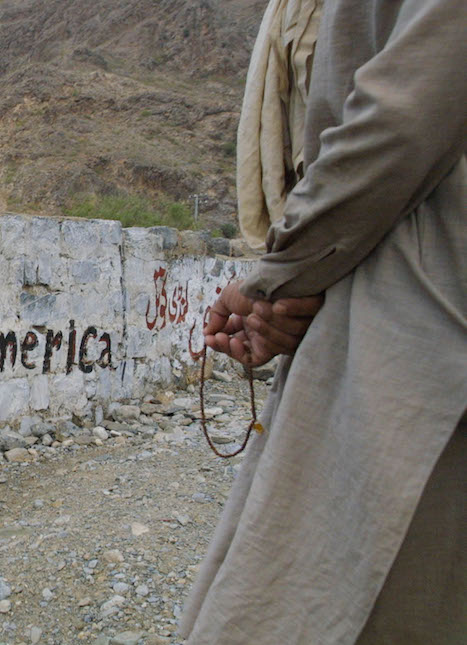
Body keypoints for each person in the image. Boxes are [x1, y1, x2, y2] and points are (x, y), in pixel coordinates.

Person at [179, 0, 467, 642]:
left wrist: (276, 277)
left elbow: (403, 119)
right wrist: (294, 291)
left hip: (420, 343)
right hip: (362, 314)